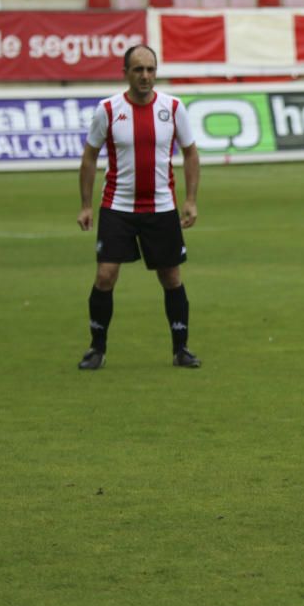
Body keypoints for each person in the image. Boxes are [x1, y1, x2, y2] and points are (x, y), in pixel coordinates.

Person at [76, 45, 201, 370]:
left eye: (150, 69)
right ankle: (97, 349)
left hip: (161, 208)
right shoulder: (108, 109)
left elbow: (190, 153)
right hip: (117, 206)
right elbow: (89, 157)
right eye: (138, 70)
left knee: (171, 276)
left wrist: (190, 200)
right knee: (105, 275)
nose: (145, 76)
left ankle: (181, 349)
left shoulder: (173, 107)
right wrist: (86, 205)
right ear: (125, 73)